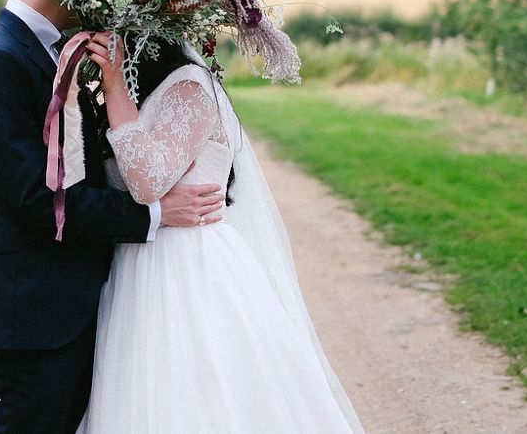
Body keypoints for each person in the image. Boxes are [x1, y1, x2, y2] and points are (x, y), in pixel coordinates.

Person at [0, 0, 225, 434]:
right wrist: (155, 213)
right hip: (39, 311)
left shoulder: (49, 49)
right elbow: (37, 200)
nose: (101, 0)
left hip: (91, 299)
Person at [77, 32, 366, 433]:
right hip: (138, 265)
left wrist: (114, 86)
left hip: (189, 267)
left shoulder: (189, 86)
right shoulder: (139, 89)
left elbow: (146, 181)